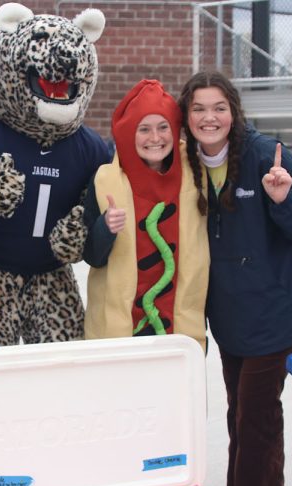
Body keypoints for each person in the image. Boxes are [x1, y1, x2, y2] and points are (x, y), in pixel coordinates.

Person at [177, 71, 292, 486]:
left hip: (277, 308)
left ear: (233, 112)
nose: (209, 117)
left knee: (256, 411)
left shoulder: (266, 156)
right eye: (198, 108)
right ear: (186, 116)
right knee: (240, 413)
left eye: (219, 107)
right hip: (231, 314)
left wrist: (282, 199)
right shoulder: (186, 164)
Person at [82, 79, 208, 348]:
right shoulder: (105, 181)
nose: (155, 138)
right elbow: (91, 256)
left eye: (163, 127)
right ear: (129, 134)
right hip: (121, 331)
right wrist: (106, 228)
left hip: (178, 328)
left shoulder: (197, 176)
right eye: (144, 129)